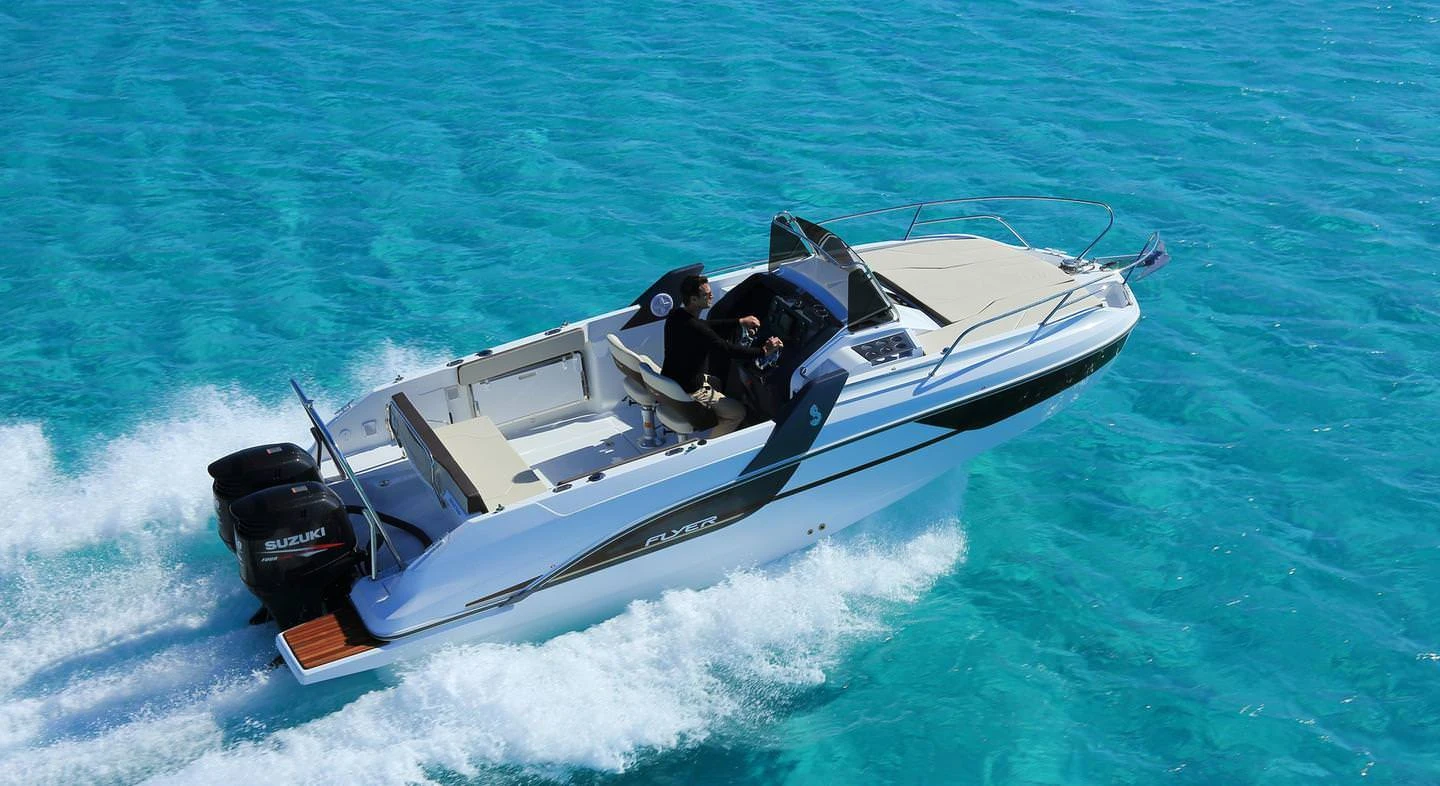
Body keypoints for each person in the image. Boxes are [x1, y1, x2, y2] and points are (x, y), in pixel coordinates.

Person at [661, 274, 782, 437]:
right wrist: (764, 351)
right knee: (738, 413)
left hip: (673, 380)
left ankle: (715, 415)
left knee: (717, 382)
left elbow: (705, 325)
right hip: (690, 389)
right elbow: (727, 349)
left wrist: (739, 322)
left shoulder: (676, 315)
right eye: (706, 294)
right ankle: (712, 445)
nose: (711, 296)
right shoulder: (697, 329)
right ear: (694, 299)